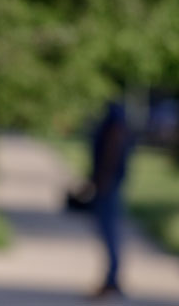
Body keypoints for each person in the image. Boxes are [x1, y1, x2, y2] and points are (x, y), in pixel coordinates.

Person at [89, 99, 134, 298]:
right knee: (109, 233)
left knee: (110, 233)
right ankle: (111, 279)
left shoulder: (115, 121)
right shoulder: (117, 118)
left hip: (109, 185)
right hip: (109, 184)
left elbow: (113, 145)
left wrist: (103, 178)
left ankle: (112, 280)